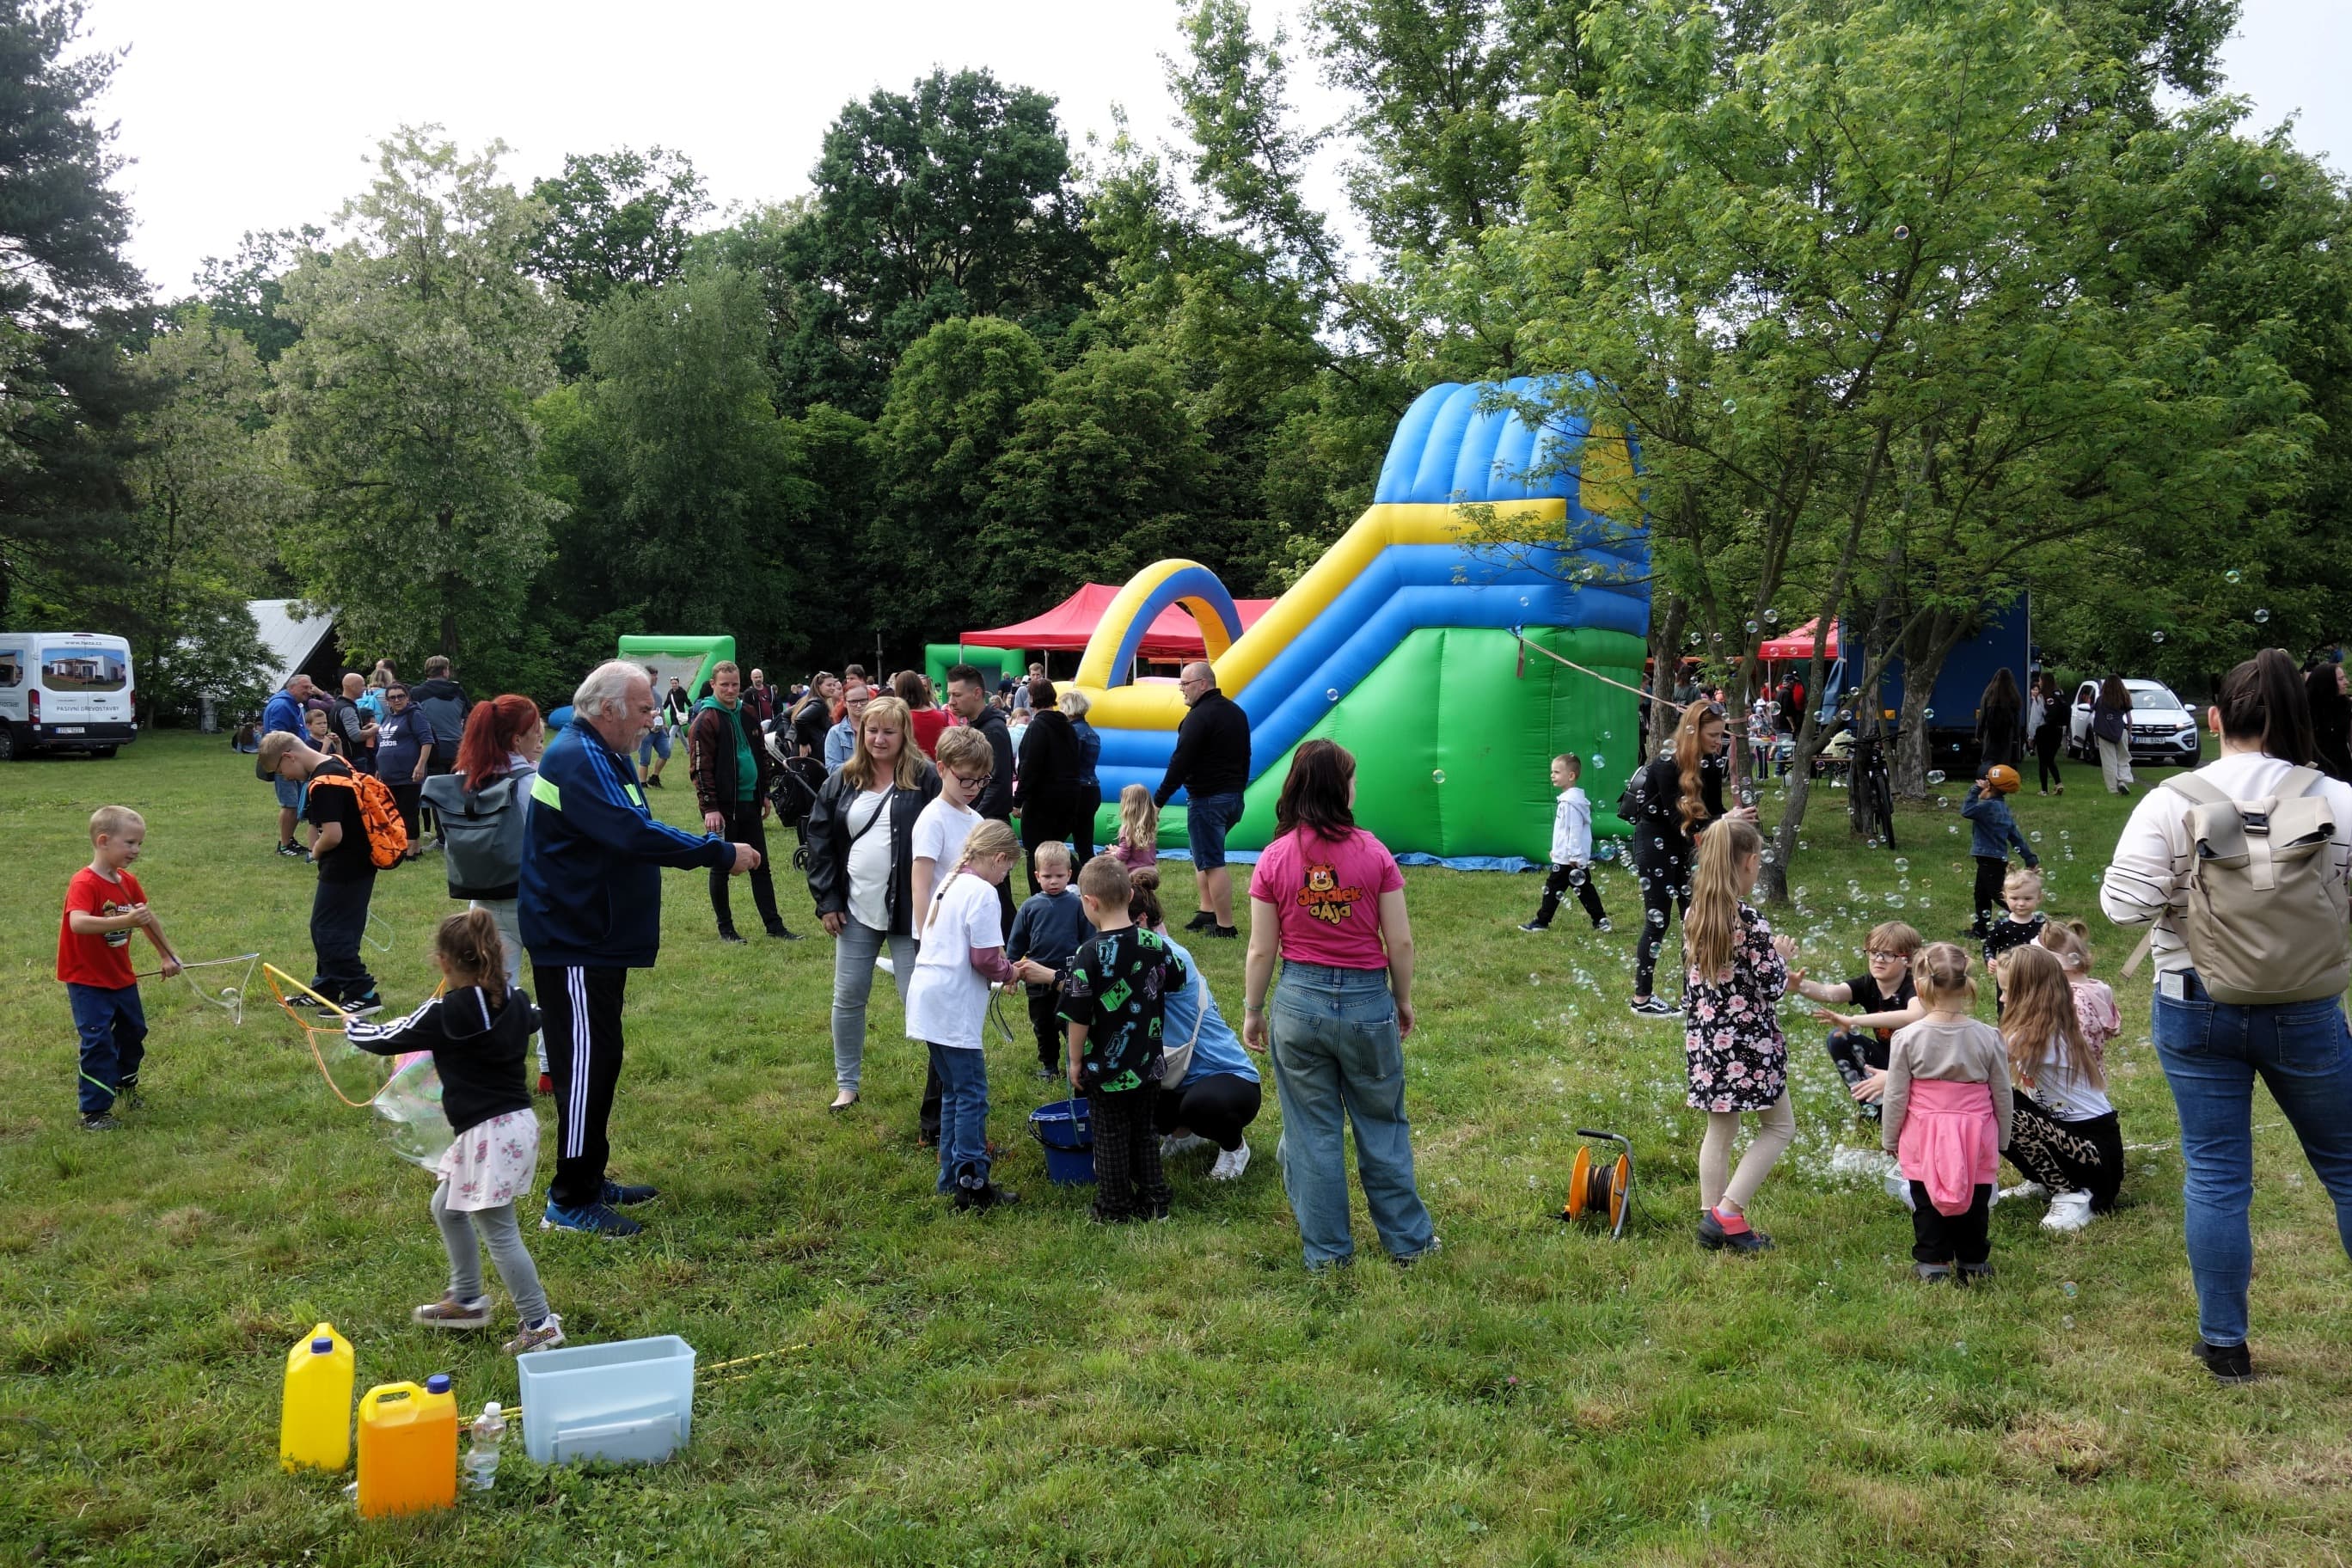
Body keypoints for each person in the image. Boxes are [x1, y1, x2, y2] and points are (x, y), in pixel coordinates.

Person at [2101, 647, 2352, 1384]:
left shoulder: (2172, 800)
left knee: (2216, 1176)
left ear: (2214, 719)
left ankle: (2225, 1346)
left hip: (2195, 1006)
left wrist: (2190, 884)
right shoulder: (2338, 798)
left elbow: (2122, 907)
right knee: (2346, 1168)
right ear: (2299, 720)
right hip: (2307, 1008)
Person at [519, 660, 761, 1237]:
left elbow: (629, 824)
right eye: (646, 708)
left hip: (595, 934)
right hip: (574, 938)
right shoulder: (578, 756)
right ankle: (570, 1200)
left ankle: (588, 1174)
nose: (654, 718)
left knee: (601, 1058)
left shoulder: (603, 752)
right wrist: (718, 852)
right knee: (584, 1065)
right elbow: (631, 833)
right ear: (609, 709)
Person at [1242, 739, 1437, 1269]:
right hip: (1367, 1002)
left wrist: (1254, 1010)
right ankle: (1409, 1245)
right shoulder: (1373, 852)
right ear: (1338, 788)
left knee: (1311, 1134)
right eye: (1351, 778)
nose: (1356, 786)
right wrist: (1402, 998)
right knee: (1382, 1124)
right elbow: (1400, 941)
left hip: (1297, 1004)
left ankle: (1328, 1256)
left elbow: (1261, 949)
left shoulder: (1274, 857)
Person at [348, 910, 564, 1356]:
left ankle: (539, 1323)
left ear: (444, 962)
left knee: (500, 1231)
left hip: (488, 1134)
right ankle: (466, 1300)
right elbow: (538, 1016)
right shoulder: (515, 1000)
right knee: (447, 1208)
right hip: (513, 1127)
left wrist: (355, 1028)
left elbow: (387, 1037)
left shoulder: (445, 1013)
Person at [805, 694, 942, 1112]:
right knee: (848, 996)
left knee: (919, 999)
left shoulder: (925, 778)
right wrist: (828, 899)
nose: (879, 739)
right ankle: (847, 1084)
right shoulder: (843, 779)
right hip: (855, 909)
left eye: (889, 731)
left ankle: (944, 1088)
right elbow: (819, 841)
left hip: (910, 911)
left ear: (904, 734)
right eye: (872, 730)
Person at [1681, 818, 1797, 1253]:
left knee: (1721, 1129)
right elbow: (1773, 986)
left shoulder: (1696, 913)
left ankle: (1710, 1217)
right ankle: (1727, 1214)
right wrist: (1781, 957)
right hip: (1748, 1045)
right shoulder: (1749, 920)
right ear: (1749, 862)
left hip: (1707, 1042)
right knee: (1779, 1127)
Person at [423, 694, 548, 1090]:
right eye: (535, 730)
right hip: (537, 903)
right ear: (516, 740)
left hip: (482, 902)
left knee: (491, 994)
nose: (542, 736)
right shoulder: (532, 784)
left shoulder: (464, 779)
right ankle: (550, 1071)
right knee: (553, 991)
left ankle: (493, 1071)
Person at [907, 819, 1032, 1211]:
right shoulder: (982, 891)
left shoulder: (949, 881)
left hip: (928, 997)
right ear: (998, 858)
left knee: (954, 1093)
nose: (1005, 877)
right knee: (973, 1095)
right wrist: (1010, 972)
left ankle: (950, 1181)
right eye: (1008, 869)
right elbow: (984, 958)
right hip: (952, 1004)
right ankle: (973, 1184)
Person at [1062, 853, 1186, 1223]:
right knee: (1145, 1132)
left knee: (1110, 1135)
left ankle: (1115, 1207)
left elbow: (1078, 1015)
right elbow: (1177, 978)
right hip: (1148, 1062)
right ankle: (1155, 1202)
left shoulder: (1088, 954)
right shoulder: (1153, 942)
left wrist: (1074, 1060)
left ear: (1089, 902)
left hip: (1106, 1070)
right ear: (1131, 896)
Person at [1882, 943, 2012, 1283]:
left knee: (1925, 1198)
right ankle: (1973, 1262)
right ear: (1967, 984)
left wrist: (1890, 1136)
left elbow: (1896, 1094)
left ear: (1919, 986)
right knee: (1977, 1198)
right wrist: (2003, 1137)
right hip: (1976, 1131)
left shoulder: (1907, 1037)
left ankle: (1933, 1263)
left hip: (1923, 1132)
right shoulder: (1988, 1036)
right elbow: (2002, 1093)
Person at [1130, 867, 1259, 1179]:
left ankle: (1234, 1148)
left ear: (1140, 921)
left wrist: (1057, 978)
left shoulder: (1167, 957)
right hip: (1178, 1073)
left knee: (1201, 1105)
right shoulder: (1147, 951)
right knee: (1133, 1093)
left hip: (1230, 1079)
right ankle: (1183, 1134)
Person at [58, 806, 180, 1130]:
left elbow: (147, 919)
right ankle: (95, 1112)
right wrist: (127, 920)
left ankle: (125, 1085)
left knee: (133, 1032)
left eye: (139, 844)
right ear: (103, 841)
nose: (136, 850)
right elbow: (78, 923)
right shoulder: (84, 882)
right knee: (97, 1040)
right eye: (129, 843)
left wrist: (167, 956)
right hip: (87, 980)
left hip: (120, 976)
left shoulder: (127, 882)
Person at [1627, 701, 1752, 1017]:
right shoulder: (1665, 766)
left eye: (1722, 735)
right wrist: (1723, 820)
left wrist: (1734, 818)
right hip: (1656, 841)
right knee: (1658, 918)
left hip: (1686, 845)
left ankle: (1693, 994)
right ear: (1693, 732)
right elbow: (1677, 821)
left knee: (1693, 919)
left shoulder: (1709, 764)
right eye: (1713, 735)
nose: (1719, 741)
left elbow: (1713, 811)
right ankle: (1642, 999)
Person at [1995, 942, 2123, 1233]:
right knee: (1996, 1100)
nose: (2002, 999)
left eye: (2007, 991)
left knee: (2003, 1107)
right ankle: (2045, 1179)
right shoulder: (2041, 1028)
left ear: (2029, 995)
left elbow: (1976, 1058)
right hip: (2080, 1146)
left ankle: (2073, 1194)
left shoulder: (2044, 1036)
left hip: (2094, 1154)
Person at [906, 726, 995, 1140]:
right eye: (966, 779)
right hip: (939, 943)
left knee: (954, 1034)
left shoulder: (975, 820)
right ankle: (936, 1124)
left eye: (982, 780)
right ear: (941, 769)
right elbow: (920, 884)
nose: (974, 788)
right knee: (946, 1036)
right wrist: (928, 938)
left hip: (965, 939)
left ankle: (946, 1126)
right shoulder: (933, 819)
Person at [260, 729, 385, 1014]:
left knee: (330, 931)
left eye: (280, 771)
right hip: (354, 863)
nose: (286, 777)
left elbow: (332, 835)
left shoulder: (325, 783)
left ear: (289, 757)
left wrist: (314, 852)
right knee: (329, 928)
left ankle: (363, 993)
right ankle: (327, 987)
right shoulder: (335, 763)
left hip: (346, 866)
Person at [689, 661, 794, 945]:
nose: (730, 689)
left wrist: (764, 793)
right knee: (721, 866)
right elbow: (700, 768)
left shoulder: (747, 712)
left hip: (750, 802)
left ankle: (774, 926)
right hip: (723, 808)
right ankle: (726, 930)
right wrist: (710, 807)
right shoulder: (706, 720)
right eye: (724, 685)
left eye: (735, 684)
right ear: (713, 684)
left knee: (761, 864)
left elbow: (761, 754)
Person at [1155, 660, 1252, 939]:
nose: (1181, 689)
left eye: (1185, 684)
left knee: (1212, 861)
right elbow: (1245, 755)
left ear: (1202, 684)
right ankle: (1207, 910)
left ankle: (1225, 926)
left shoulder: (1198, 717)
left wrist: (1158, 800)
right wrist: (1237, 789)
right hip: (1233, 799)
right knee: (1203, 854)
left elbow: (1180, 761)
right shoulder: (1236, 712)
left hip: (1208, 800)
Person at [1792, 920, 1924, 1123]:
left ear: (1908, 960)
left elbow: (1913, 1015)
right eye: (1874, 952)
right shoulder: (1869, 983)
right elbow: (1832, 992)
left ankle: (1903, 1105)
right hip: (1890, 1058)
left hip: (1920, 1066)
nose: (1878, 959)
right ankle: (1874, 1109)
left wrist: (1855, 1020)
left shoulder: (1914, 986)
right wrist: (1799, 985)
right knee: (1838, 1038)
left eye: (1889, 954)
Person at [1007, 840, 1087, 1080]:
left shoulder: (1077, 906)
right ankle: (1049, 1065)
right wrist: (1010, 974)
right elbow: (1016, 943)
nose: (1053, 881)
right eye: (1047, 876)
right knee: (1043, 1025)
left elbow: (1089, 941)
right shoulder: (1029, 907)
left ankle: (1078, 1062)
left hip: (1068, 978)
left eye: (1059, 876)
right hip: (1036, 979)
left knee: (1070, 1023)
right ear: (1037, 876)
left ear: (1069, 875)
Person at [1518, 753, 1611, 934]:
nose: (1552, 775)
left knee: (1554, 888)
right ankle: (1600, 921)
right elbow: (1563, 832)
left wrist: (1574, 855)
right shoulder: (1569, 800)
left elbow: (1574, 831)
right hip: (1567, 856)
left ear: (1571, 776)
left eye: (1557, 772)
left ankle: (1542, 921)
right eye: (1552, 772)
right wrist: (1557, 850)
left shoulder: (1570, 803)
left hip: (1569, 859)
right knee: (1584, 889)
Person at [1014, 677, 1086, 896]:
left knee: (1036, 853)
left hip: (1042, 802)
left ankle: (1039, 898)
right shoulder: (1068, 727)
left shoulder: (1038, 727)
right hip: (1069, 799)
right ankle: (1084, 884)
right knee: (1056, 848)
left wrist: (1018, 800)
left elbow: (1030, 766)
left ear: (1031, 699)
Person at [1961, 765, 2039, 940]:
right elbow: (2015, 836)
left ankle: (2029, 925)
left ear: (1989, 786)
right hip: (1993, 859)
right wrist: (2029, 857)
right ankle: (1980, 930)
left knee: (2000, 896)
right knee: (1981, 895)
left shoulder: (1987, 807)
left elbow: (1966, 811)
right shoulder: (2002, 809)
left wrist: (1975, 790)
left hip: (1989, 859)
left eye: (1985, 781)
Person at [411, 656, 473, 839]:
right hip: (457, 747)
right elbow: (470, 716)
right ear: (445, 671)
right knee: (458, 790)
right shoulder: (458, 691)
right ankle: (459, 831)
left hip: (431, 748)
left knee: (437, 792)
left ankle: (441, 837)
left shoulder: (417, 693)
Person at [374, 682, 435, 864]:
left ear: (407, 697)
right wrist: (379, 768)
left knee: (408, 812)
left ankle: (411, 850)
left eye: (401, 696)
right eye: (392, 697)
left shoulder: (415, 715)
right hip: (388, 774)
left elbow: (427, 741)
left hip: (408, 774)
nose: (397, 700)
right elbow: (382, 745)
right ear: (387, 701)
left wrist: (420, 765)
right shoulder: (387, 718)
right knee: (394, 813)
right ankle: (406, 846)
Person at [263, 673, 317, 858]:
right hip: (285, 763)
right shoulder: (282, 706)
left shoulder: (292, 704)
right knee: (290, 804)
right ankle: (285, 844)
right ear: (292, 687)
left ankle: (289, 840)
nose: (309, 691)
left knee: (295, 803)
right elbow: (276, 738)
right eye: (305, 687)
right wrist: (287, 761)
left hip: (293, 762)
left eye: (310, 687)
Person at [1061, 687, 1102, 864]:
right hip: (1092, 789)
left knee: (1053, 840)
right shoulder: (1092, 733)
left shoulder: (1072, 732)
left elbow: (1069, 764)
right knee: (1085, 844)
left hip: (1076, 790)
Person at [1983, 865, 2048, 970]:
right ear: (2005, 897)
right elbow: (1989, 946)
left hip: (2036, 971)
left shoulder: (2042, 924)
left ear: (2039, 898)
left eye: (2027, 899)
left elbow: (2052, 945)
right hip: (2008, 971)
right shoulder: (2001, 925)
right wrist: (1990, 959)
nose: (2021, 903)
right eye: (2014, 898)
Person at [2306, 660, 2352, 781]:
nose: (2346, 682)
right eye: (2341, 679)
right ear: (2328, 683)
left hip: (2343, 767)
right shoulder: (2306, 710)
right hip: (2316, 769)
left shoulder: (2345, 705)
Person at [631, 667, 675, 789]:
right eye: (653, 675)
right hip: (645, 730)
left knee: (666, 752)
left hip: (659, 729)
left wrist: (665, 724)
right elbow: (635, 711)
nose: (656, 678)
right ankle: (642, 783)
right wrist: (650, 714)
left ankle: (654, 777)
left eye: (656, 675)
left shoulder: (656, 693)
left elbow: (661, 710)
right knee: (645, 758)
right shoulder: (639, 693)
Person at [2091, 675, 2135, 795]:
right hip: (2121, 731)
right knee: (2123, 758)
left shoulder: (2101, 700)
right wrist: (2129, 733)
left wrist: (2096, 733)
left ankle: (2113, 789)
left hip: (2104, 733)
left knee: (2108, 761)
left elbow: (2097, 716)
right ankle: (2122, 781)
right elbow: (2129, 718)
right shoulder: (2125, 697)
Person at [1975, 668, 2025, 770]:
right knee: (2003, 761)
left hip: (1991, 732)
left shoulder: (1989, 693)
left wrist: (1979, 733)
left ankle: (1988, 777)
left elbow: (1983, 715)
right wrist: (2016, 735)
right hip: (2006, 733)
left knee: (1988, 760)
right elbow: (2017, 718)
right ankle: (2001, 778)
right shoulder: (2013, 695)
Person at [329, 672, 378, 774]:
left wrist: (364, 728)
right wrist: (375, 729)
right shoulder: (347, 708)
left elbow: (343, 732)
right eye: (362, 685)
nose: (365, 688)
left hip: (344, 757)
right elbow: (356, 736)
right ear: (352, 687)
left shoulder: (337, 705)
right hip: (354, 759)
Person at [894, 671, 949, 759]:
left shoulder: (902, 718)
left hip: (912, 765)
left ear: (899, 691)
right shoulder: (941, 716)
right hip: (938, 765)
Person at [2029, 672, 2067, 796]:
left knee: (2043, 761)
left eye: (2040, 681)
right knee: (2050, 759)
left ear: (2044, 682)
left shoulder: (2040, 697)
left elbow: (2035, 719)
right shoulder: (2059, 695)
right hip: (2057, 731)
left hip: (2043, 731)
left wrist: (2031, 736)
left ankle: (2044, 790)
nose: (2039, 683)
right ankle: (2058, 783)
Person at [822, 681, 871, 773]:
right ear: (844, 703)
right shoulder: (835, 732)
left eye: (863, 700)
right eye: (853, 702)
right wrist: (862, 765)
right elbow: (832, 769)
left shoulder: (878, 730)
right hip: (849, 781)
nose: (859, 705)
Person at [792, 673, 840, 761]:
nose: (833, 688)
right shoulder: (818, 704)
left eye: (833, 685)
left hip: (809, 754)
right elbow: (800, 719)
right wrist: (803, 743)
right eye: (829, 685)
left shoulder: (811, 700)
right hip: (810, 755)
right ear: (818, 686)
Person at [1112, 783, 1158, 872]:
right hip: (1151, 871)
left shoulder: (1127, 829)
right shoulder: (1149, 826)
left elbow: (1123, 856)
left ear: (1128, 807)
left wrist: (1114, 853)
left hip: (1134, 873)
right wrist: (1119, 850)